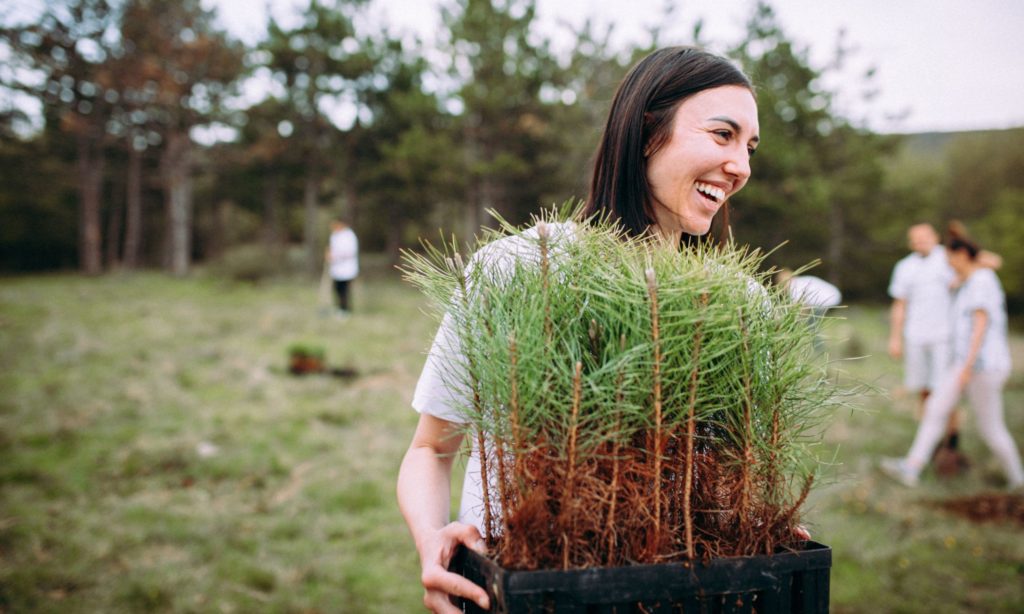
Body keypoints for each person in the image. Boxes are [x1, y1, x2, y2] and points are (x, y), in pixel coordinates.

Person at [397, 47, 762, 613]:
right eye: (722, 135)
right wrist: (431, 544)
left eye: (749, 147)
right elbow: (429, 448)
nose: (740, 165)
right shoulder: (518, 269)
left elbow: (732, 478)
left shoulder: (741, 304)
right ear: (646, 133)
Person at [881, 233, 1023, 489]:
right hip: (964, 365)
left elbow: (981, 324)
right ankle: (911, 468)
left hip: (983, 366)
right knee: (935, 409)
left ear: (961, 255)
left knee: (991, 428)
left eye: (949, 258)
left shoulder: (982, 281)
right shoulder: (968, 280)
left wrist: (967, 367)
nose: (947, 263)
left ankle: (1017, 478)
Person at [886, 223, 964, 470]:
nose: (921, 242)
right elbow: (899, 304)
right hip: (916, 336)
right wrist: (895, 337)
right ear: (911, 243)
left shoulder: (948, 258)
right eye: (916, 239)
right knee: (923, 388)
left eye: (925, 238)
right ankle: (928, 440)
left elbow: (977, 266)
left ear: (935, 238)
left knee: (945, 389)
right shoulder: (904, 267)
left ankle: (951, 440)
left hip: (944, 336)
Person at [776, 269, 842, 352]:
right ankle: (818, 347)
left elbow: (800, 307)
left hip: (824, 301)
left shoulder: (795, 286)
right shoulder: (800, 281)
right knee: (812, 325)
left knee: (812, 326)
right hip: (830, 297)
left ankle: (819, 349)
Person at [325, 219, 358, 315]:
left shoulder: (349, 236)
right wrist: (329, 254)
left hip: (347, 269)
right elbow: (332, 248)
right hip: (336, 269)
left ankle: (345, 309)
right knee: (337, 289)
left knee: (344, 290)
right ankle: (339, 308)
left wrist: (335, 256)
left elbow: (349, 252)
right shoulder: (334, 235)